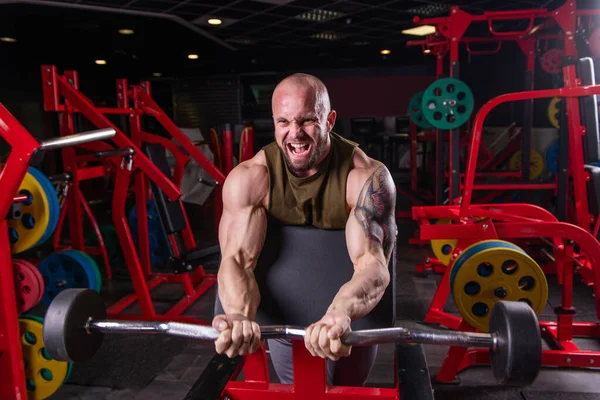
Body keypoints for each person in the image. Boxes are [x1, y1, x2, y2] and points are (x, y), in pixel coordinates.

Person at [212, 72, 397, 386]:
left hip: (348, 311)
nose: (294, 134)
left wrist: (341, 312)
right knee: (295, 387)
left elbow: (373, 266)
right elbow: (236, 260)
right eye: (283, 122)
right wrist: (239, 315)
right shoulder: (251, 178)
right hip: (280, 305)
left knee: (345, 388)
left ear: (330, 120)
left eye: (307, 120)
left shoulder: (365, 178)